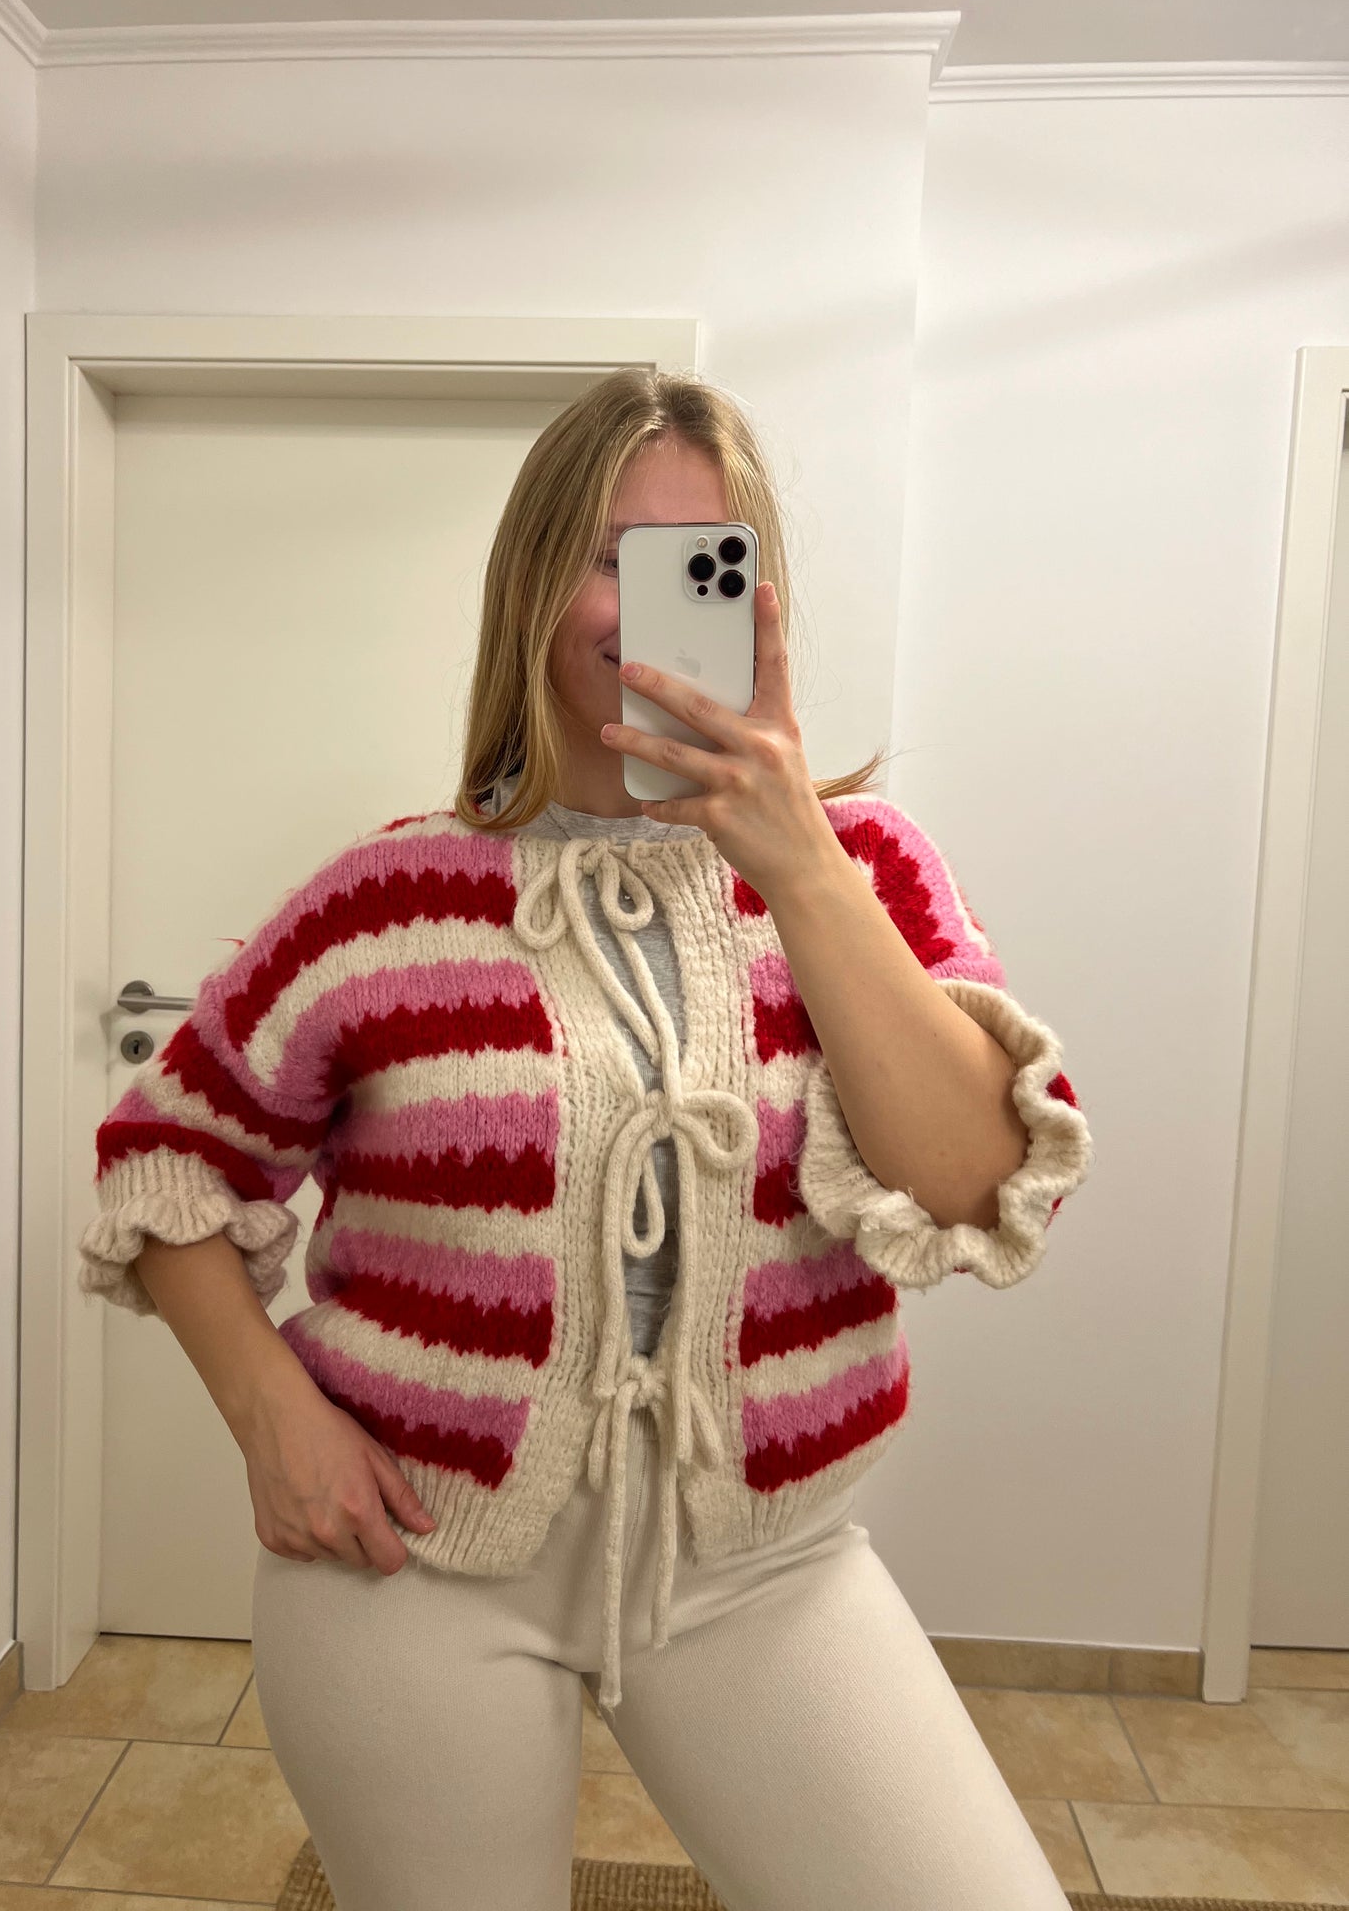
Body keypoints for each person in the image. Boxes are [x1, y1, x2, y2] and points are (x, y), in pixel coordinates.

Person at [77, 368, 1092, 1911]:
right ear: (533, 583)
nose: (649, 605)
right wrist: (268, 1414)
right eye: (610, 557)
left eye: (703, 561)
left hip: (765, 1567)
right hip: (411, 1573)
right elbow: (167, 1158)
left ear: (758, 600)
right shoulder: (385, 898)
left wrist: (797, 866)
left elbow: (977, 1182)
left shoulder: (867, 869)